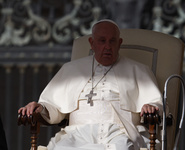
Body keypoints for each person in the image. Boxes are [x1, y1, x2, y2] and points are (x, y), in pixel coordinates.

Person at [18, 19, 163, 150]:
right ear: (92, 43)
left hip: (120, 133)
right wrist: (40, 107)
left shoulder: (138, 70)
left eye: (112, 41)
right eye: (102, 41)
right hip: (78, 134)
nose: (107, 46)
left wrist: (151, 106)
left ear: (119, 43)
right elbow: (52, 106)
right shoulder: (71, 70)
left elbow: (156, 103)